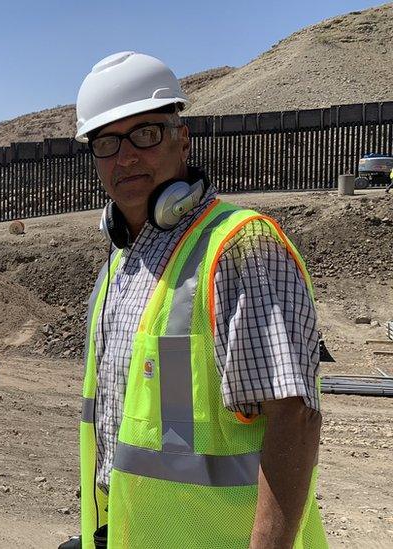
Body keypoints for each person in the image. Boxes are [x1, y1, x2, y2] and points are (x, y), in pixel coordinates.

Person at [66, 52, 327, 549]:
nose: (125, 157)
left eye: (144, 134)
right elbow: (164, 436)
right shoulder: (120, 264)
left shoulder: (240, 248)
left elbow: (293, 417)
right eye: (106, 143)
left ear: (181, 139)